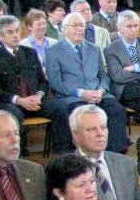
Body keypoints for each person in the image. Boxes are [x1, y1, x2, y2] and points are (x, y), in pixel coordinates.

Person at [0, 14, 70, 152]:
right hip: (9, 103)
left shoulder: (30, 53)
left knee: (61, 107)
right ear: (0, 37)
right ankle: (19, 156)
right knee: (14, 115)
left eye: (17, 31)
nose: (16, 35)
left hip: (35, 100)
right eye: (10, 32)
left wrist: (39, 95)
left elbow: (43, 81)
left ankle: (63, 152)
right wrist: (19, 100)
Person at [44, 12, 129, 153]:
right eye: (75, 25)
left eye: (82, 26)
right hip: (73, 97)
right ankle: (86, 153)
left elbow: (103, 75)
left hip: (99, 94)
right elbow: (55, 82)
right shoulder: (53, 51)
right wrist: (81, 93)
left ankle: (115, 154)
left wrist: (101, 90)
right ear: (64, 29)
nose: (80, 29)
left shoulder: (94, 49)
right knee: (84, 115)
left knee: (117, 110)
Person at [70, 104, 140, 200]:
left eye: (103, 127)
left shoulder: (126, 163)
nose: (100, 134)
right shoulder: (66, 169)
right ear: (75, 135)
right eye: (91, 129)